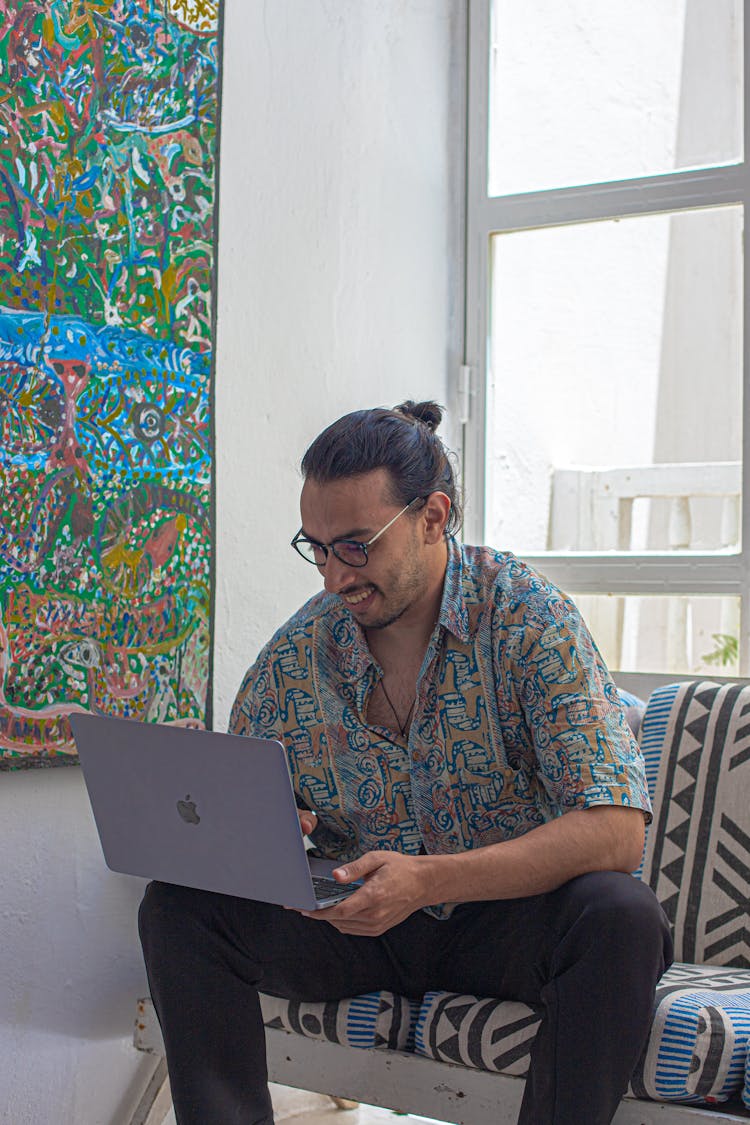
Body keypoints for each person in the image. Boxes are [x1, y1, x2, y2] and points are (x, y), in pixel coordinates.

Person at [139, 400, 673, 1125]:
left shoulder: (529, 621)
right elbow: (247, 817)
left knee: (622, 915)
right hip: (358, 925)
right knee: (180, 909)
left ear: (432, 517)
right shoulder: (294, 660)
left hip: (504, 920)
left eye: (355, 545)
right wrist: (264, 833)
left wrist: (428, 880)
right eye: (317, 547)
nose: (333, 577)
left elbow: (616, 832)